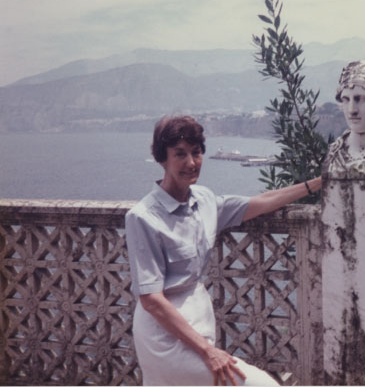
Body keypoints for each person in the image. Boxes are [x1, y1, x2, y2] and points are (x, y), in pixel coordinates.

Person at [125, 115, 321, 386]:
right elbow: (151, 300)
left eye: (196, 152)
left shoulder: (204, 200)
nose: (191, 162)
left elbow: (260, 202)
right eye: (180, 154)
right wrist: (208, 351)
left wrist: (316, 183)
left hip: (200, 323)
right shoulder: (143, 217)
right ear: (162, 159)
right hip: (164, 339)